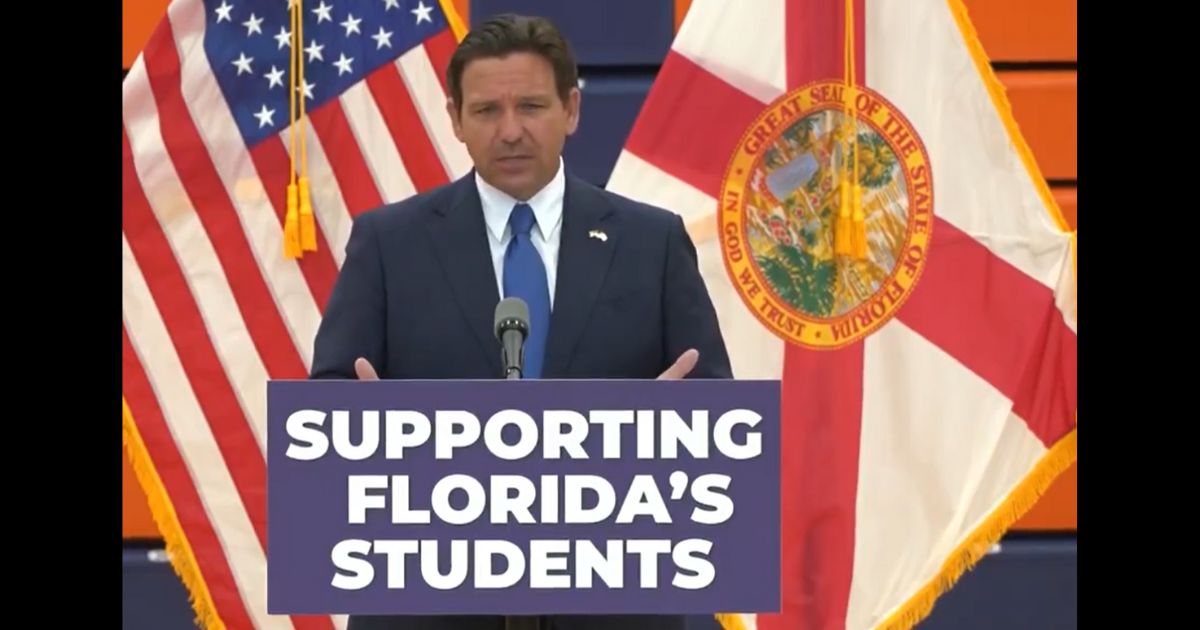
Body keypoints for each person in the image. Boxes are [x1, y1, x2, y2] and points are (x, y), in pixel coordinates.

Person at [310, 12, 732, 630]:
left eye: (532, 106)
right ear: (454, 118)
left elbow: (719, 435)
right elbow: (326, 431)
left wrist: (657, 437)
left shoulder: (652, 242)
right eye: (485, 111)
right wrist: (375, 436)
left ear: (572, 110)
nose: (511, 131)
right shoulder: (388, 243)